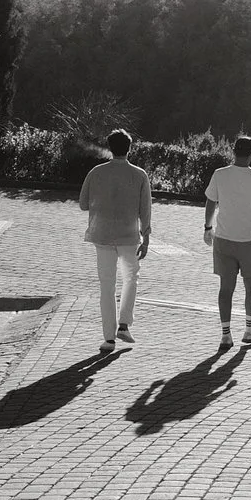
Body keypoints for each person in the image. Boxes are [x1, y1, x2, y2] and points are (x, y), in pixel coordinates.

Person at [79, 129, 151, 350]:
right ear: (129, 148)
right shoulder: (139, 175)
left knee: (106, 286)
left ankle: (108, 338)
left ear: (110, 147)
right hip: (129, 236)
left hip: (102, 234)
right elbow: (145, 209)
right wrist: (146, 236)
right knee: (131, 278)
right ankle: (124, 324)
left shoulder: (96, 172)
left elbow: (83, 204)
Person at [201, 133, 251, 347]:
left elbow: (210, 203)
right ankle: (249, 330)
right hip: (250, 240)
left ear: (233, 151)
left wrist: (207, 227)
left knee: (226, 288)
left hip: (223, 239)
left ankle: (226, 334)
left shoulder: (219, 174)